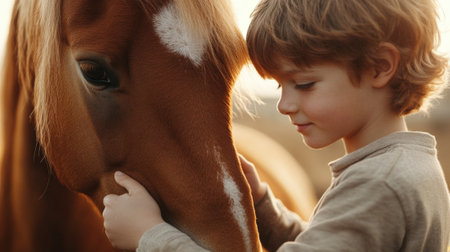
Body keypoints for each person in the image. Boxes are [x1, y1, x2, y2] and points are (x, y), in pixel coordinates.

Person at [102, 0, 450, 251]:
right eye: (279, 86)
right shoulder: (407, 167)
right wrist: (262, 205)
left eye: (304, 84)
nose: (284, 105)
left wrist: (149, 236)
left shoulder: (379, 183)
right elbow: (328, 242)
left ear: (379, 66)